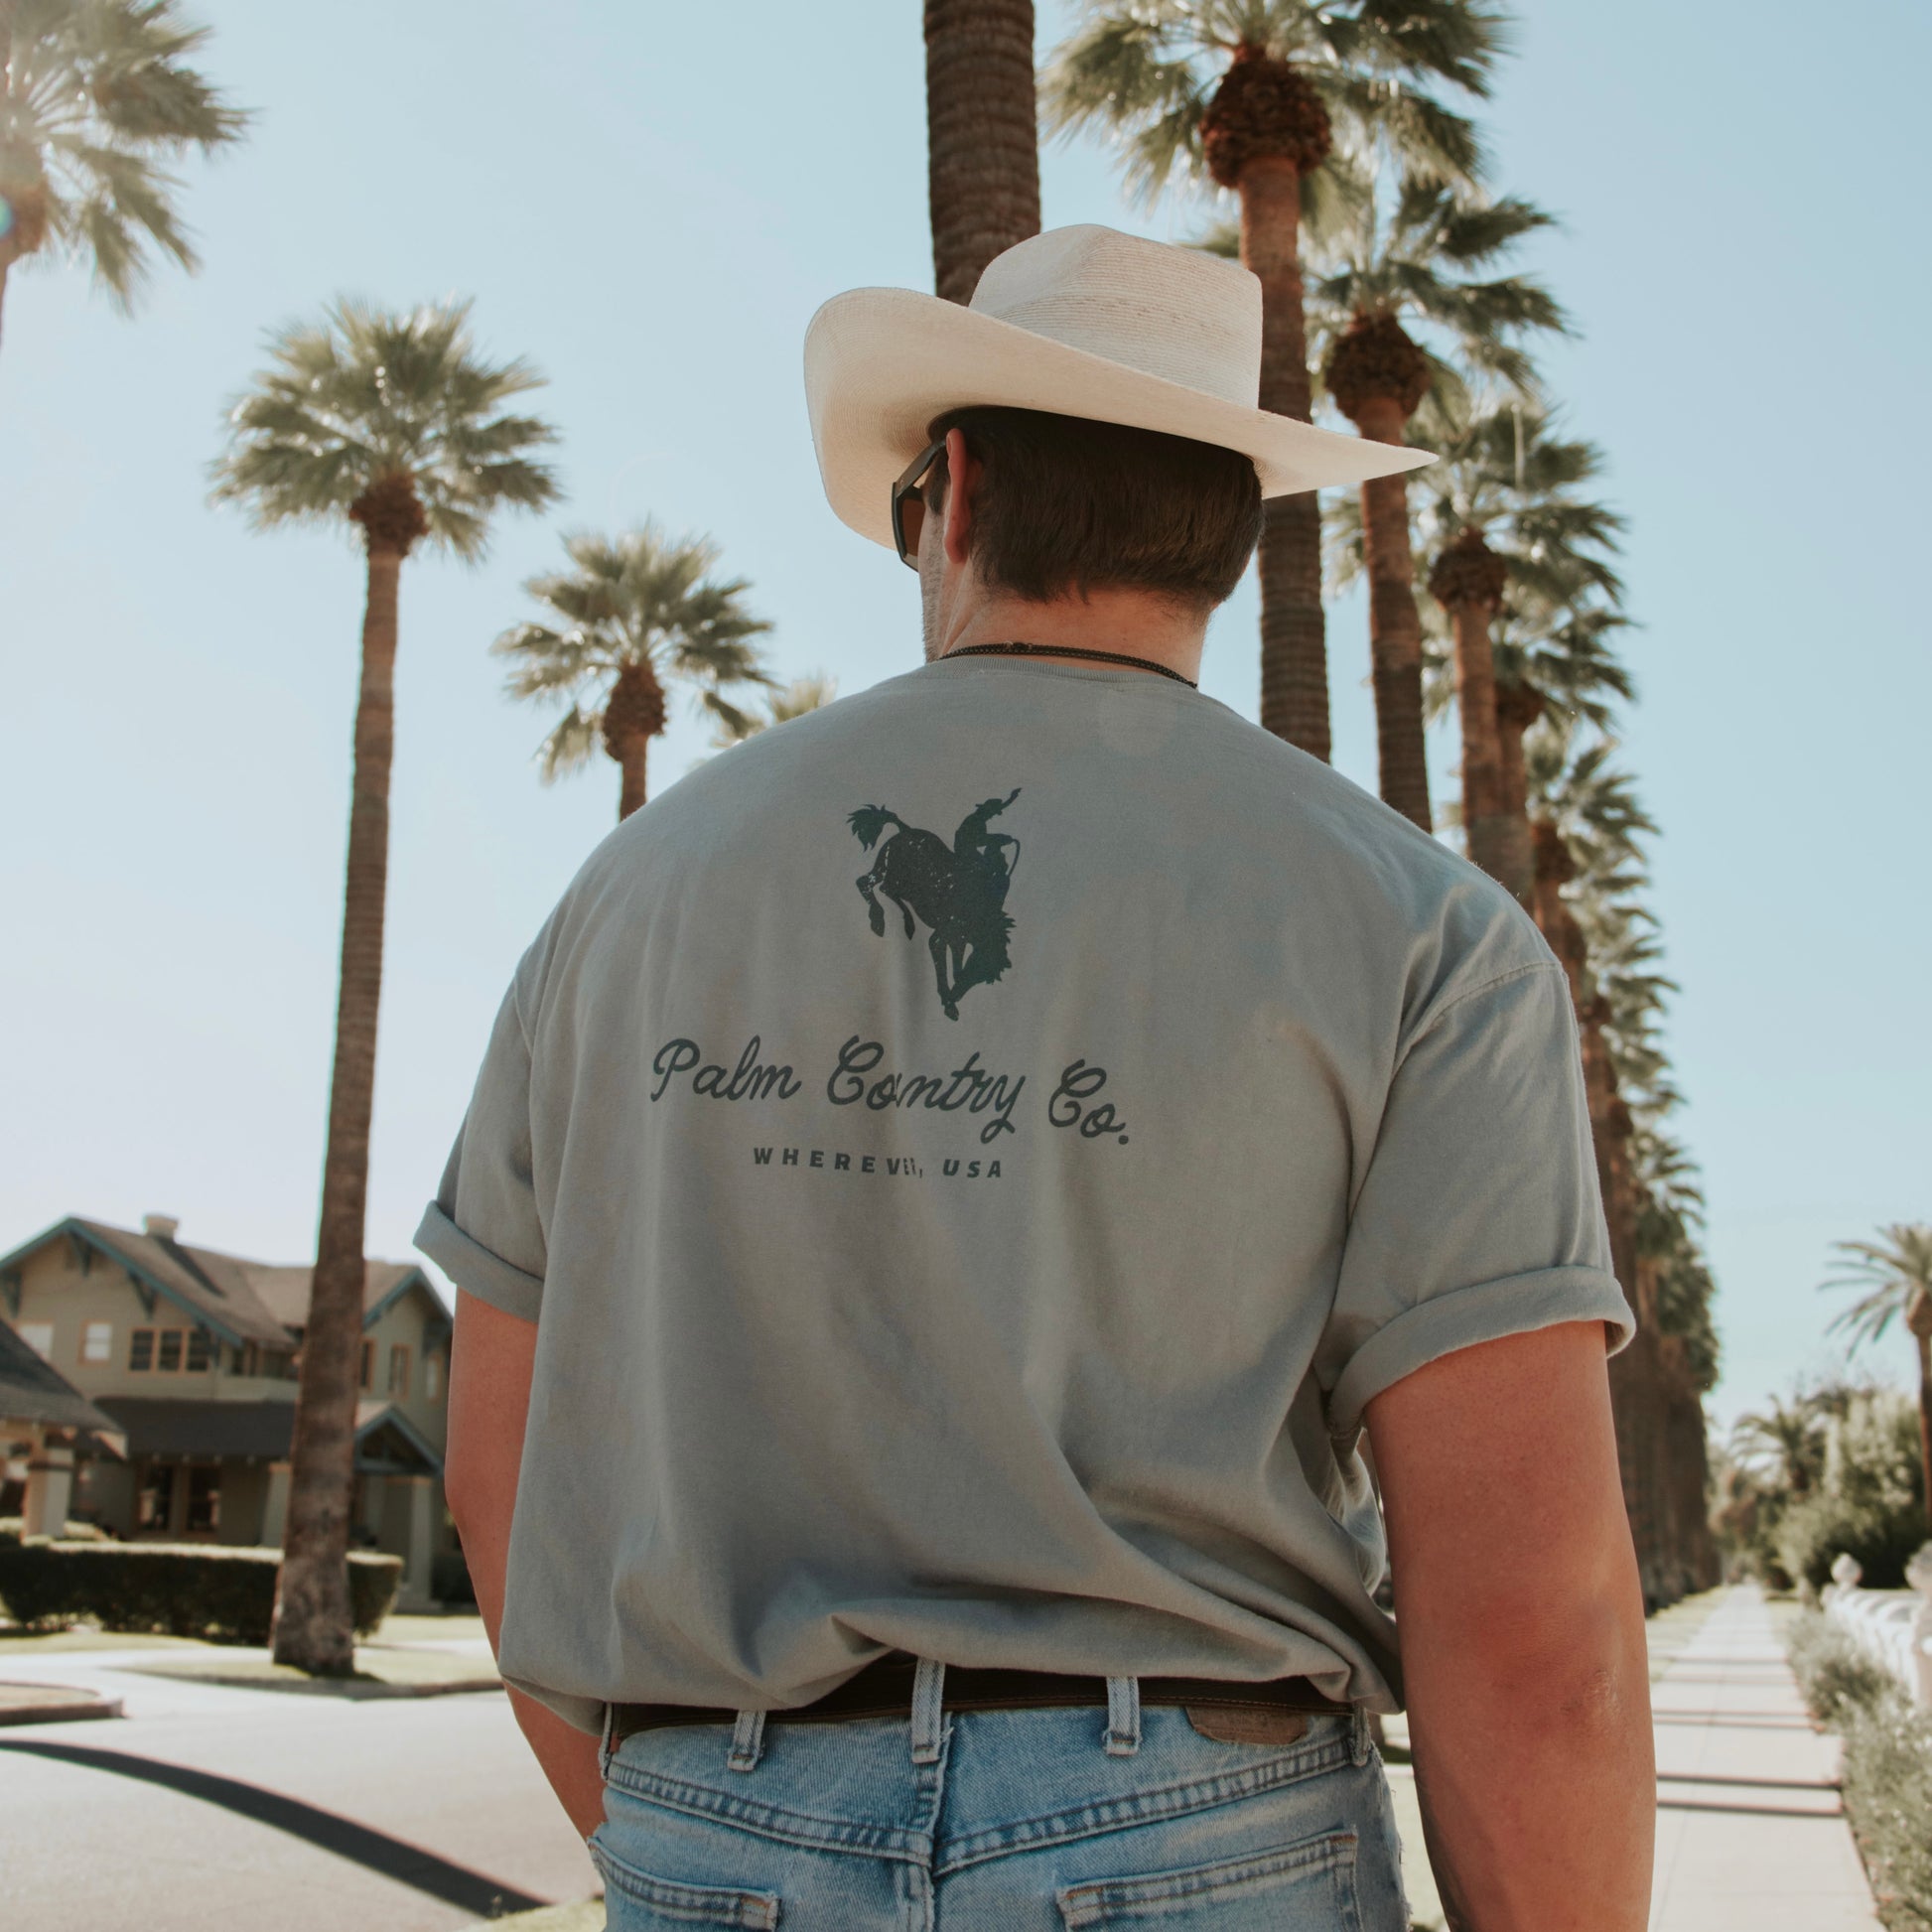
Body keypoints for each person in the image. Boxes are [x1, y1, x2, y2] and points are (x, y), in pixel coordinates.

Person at [422, 224, 1655, 1932]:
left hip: (719, 1827)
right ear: (1227, 524)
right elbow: (1533, 1623)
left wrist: (697, 1834)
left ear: (956, 487)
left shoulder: (632, 896)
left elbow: (503, 1472)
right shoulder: (1422, 930)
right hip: (1208, 1850)